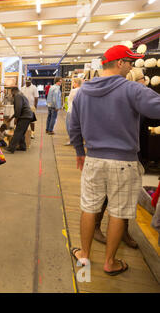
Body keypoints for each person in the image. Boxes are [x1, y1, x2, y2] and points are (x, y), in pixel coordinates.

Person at [69, 45, 160, 276]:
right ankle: (110, 262)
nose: (131, 67)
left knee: (89, 208)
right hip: (124, 162)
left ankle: (84, 256)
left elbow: (73, 125)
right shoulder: (132, 89)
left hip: (93, 160)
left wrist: (80, 151)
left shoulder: (82, 92)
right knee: (118, 212)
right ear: (119, 63)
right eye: (129, 63)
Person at [93, 68, 148, 249]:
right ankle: (102, 231)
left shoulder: (137, 98)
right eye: (142, 79)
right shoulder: (129, 97)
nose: (145, 82)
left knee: (122, 199)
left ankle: (120, 232)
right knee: (111, 198)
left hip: (128, 153)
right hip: (119, 155)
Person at [5, 82, 36, 153]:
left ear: (13, 91)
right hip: (28, 116)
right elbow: (18, 109)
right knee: (21, 132)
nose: (11, 94)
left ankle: (11, 148)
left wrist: (16, 118)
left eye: (11, 92)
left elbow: (18, 108)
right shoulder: (21, 95)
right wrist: (12, 118)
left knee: (17, 132)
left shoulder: (17, 96)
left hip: (25, 116)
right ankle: (23, 146)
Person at [64, 78, 82, 145]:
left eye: (74, 82)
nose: (73, 84)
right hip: (78, 110)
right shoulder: (82, 90)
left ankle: (72, 140)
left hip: (71, 110)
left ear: (77, 83)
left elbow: (69, 100)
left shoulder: (73, 90)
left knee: (69, 125)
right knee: (76, 126)